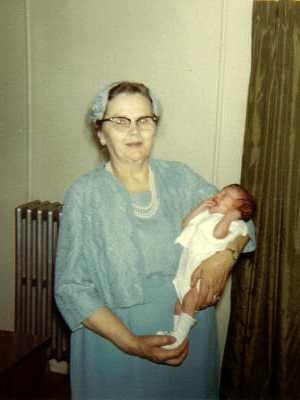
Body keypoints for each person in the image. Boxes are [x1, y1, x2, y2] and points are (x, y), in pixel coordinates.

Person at [55, 81, 256, 400]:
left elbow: (245, 220)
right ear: (101, 133)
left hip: (190, 337)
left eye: (144, 120)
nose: (134, 130)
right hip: (116, 347)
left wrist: (225, 256)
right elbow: (72, 288)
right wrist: (131, 343)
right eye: (120, 121)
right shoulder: (84, 195)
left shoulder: (181, 178)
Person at [159, 184, 256, 350]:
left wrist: (229, 217)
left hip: (204, 269)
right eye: (220, 191)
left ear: (237, 209)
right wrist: (200, 208)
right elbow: (185, 225)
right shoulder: (207, 215)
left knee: (190, 299)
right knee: (179, 303)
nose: (219, 194)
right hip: (189, 264)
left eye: (225, 195)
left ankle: (179, 336)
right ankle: (174, 333)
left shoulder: (235, 224)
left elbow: (218, 234)